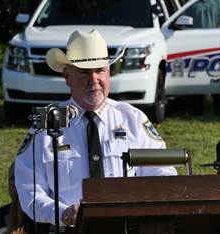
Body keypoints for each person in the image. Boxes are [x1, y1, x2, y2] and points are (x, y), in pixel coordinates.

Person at [14, 29, 177, 234]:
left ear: (109, 72)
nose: (94, 80)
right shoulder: (47, 126)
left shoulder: (132, 119)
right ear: (67, 76)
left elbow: (162, 172)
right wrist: (62, 213)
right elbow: (29, 190)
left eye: (100, 70)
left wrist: (139, 204)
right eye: (84, 72)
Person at [189, 0, 220, 116]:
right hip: (195, 45)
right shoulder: (192, 4)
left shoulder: (218, 3)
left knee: (217, 77)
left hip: (214, 45)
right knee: (197, 76)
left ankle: (218, 110)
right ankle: (197, 109)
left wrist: (215, 38)